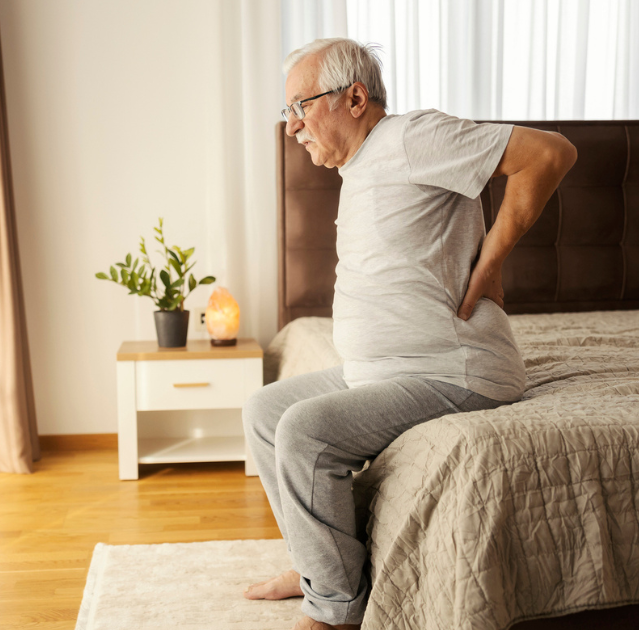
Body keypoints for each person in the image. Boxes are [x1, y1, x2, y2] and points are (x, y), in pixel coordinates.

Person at [241, 38, 577, 630]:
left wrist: (491, 263)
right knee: (266, 411)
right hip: (386, 368)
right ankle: (322, 568)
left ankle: (337, 612)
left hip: (452, 368)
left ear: (354, 97)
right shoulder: (362, 165)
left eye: (300, 107)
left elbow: (549, 154)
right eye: (287, 111)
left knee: (305, 431)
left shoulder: (412, 138)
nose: (291, 127)